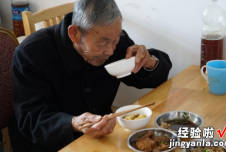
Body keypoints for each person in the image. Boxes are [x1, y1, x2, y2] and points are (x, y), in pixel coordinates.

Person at [9, 0, 172, 151]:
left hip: (100, 136)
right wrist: (73, 123)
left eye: (115, 41)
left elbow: (145, 77)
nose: (110, 51)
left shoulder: (112, 38)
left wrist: (150, 62)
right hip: (47, 144)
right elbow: (32, 118)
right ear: (74, 34)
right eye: (102, 43)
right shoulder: (31, 52)